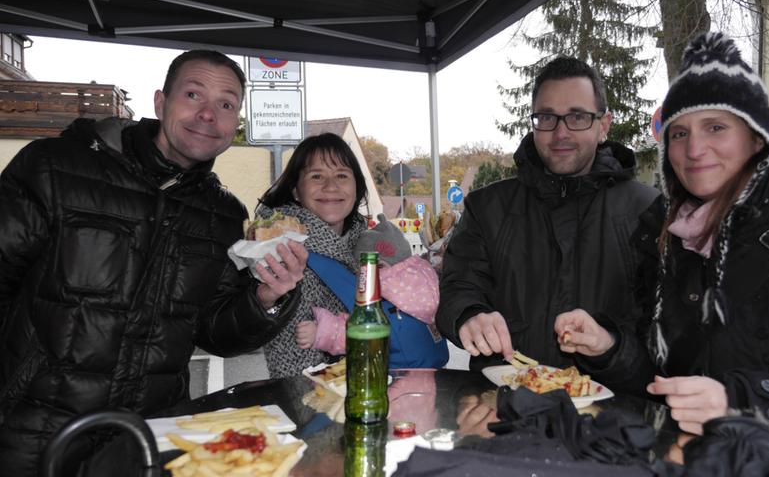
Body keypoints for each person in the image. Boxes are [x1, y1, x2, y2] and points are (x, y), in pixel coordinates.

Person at [555, 32, 769, 473]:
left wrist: (743, 404)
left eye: (716, 127)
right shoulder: (669, 239)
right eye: (679, 133)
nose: (694, 150)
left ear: (757, 139)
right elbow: (666, 382)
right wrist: (609, 347)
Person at [0, 50, 307, 476]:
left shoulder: (224, 215)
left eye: (226, 104)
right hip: (33, 434)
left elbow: (214, 331)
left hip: (148, 438)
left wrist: (266, 297)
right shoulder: (53, 168)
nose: (207, 114)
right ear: (161, 103)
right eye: (193, 94)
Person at [436, 56, 658, 370]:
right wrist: (468, 315)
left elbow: (663, 335)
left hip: (611, 412)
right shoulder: (487, 207)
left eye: (577, 117)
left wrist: (612, 348)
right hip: (501, 404)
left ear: (603, 126)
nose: (561, 132)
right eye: (547, 118)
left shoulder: (649, 211)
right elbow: (457, 289)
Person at [256, 132, 370, 378]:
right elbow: (246, 321)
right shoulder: (273, 245)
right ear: (296, 190)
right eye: (316, 176)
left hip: (375, 387)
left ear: (357, 187)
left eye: (342, 175)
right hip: (304, 396)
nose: (331, 186)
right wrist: (264, 301)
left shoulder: (370, 247)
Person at [295, 214, 440, 357]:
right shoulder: (423, 281)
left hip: (396, 374)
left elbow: (365, 333)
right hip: (434, 369)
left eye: (365, 267)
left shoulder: (385, 292)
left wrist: (322, 331)